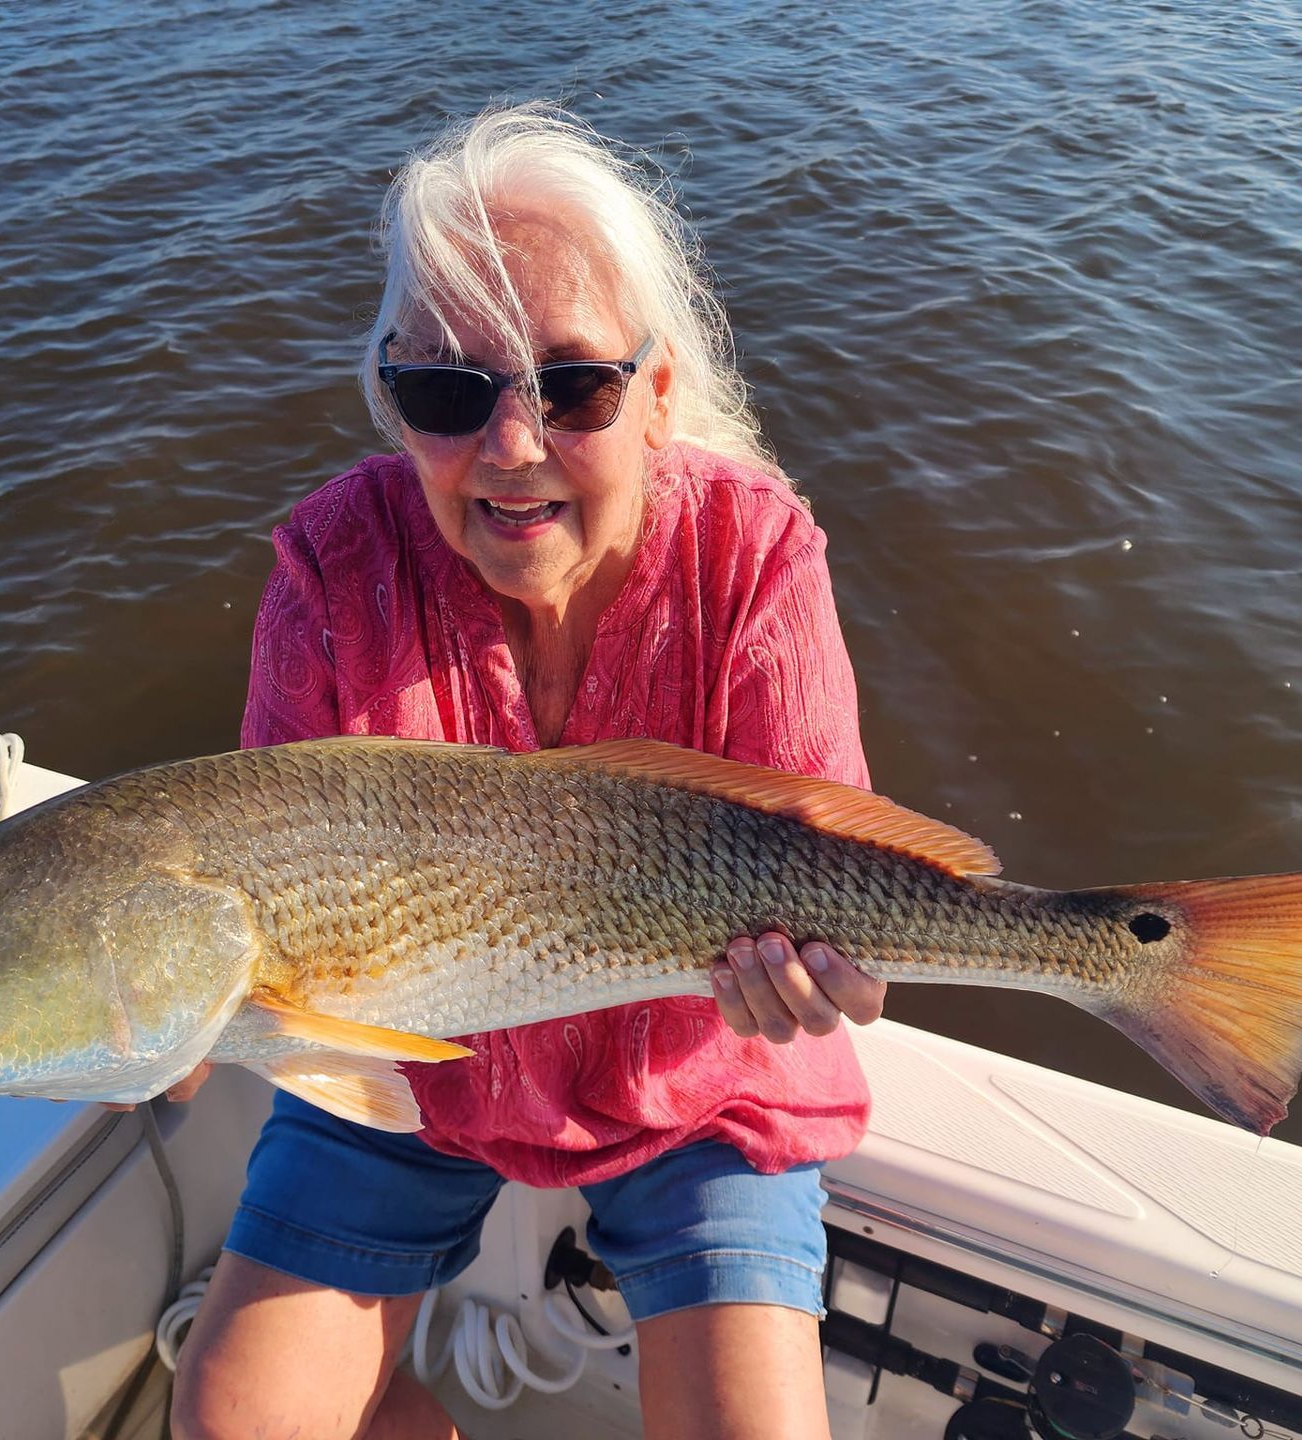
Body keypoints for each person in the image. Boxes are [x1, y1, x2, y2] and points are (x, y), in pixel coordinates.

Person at [170, 103, 887, 1440]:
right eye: (447, 392)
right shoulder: (332, 568)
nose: (510, 448)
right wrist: (174, 1014)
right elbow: (262, 882)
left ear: (662, 391)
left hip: (698, 1065)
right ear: (390, 397)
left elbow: (831, 854)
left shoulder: (757, 553)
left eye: (573, 387)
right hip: (402, 1070)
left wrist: (824, 973)